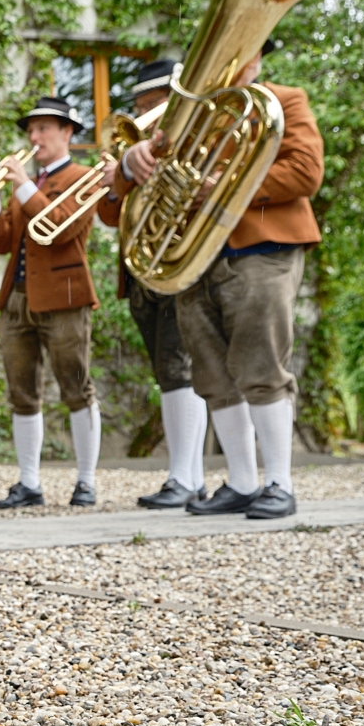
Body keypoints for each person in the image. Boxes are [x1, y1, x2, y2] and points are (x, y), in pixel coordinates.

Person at [118, 40, 323, 520]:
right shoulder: (189, 115)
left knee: (262, 364)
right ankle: (243, 482)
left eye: (243, 49)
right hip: (196, 254)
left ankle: (279, 483)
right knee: (211, 372)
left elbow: (305, 173)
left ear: (257, 58)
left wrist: (226, 184)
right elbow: (133, 189)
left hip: (262, 247)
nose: (232, 59)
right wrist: (135, 163)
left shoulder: (284, 100)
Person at [96, 60, 210, 509]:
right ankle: (189, 477)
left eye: (154, 104)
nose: (145, 115)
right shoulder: (138, 152)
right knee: (168, 374)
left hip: (180, 263)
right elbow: (110, 216)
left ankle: (185, 477)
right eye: (141, 106)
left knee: (179, 370)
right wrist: (114, 183)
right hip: (143, 272)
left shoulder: (196, 143)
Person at [0, 97, 102, 509]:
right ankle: (29, 482)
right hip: (17, 299)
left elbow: (57, 227)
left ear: (67, 132)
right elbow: (2, 243)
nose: (34, 138)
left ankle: (86, 480)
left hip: (65, 296)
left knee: (76, 387)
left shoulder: (87, 176)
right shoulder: (23, 188)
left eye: (44, 129)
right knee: (21, 391)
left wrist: (22, 186)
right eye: (31, 130)